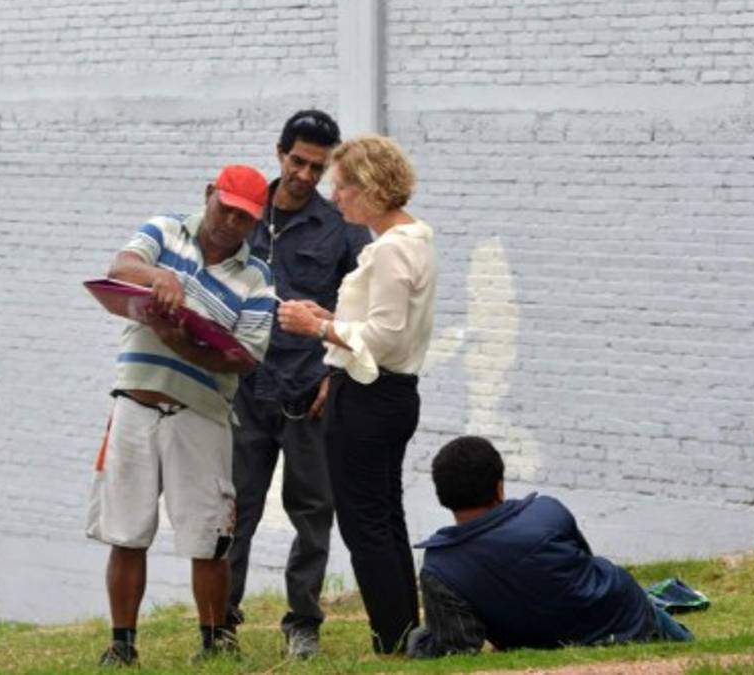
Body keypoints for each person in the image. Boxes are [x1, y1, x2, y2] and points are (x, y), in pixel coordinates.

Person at [85, 164, 276, 667]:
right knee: (126, 532)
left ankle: (214, 641)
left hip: (201, 411)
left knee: (209, 536)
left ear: (256, 222)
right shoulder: (166, 229)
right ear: (210, 194)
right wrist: (159, 277)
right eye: (226, 209)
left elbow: (246, 357)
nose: (231, 222)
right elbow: (120, 267)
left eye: (244, 218)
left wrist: (185, 344)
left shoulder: (258, 278)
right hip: (135, 401)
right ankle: (122, 645)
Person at [277, 134, 437, 654]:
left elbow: (385, 336)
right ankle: (401, 630)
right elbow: (383, 325)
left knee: (365, 522)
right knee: (385, 515)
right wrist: (330, 318)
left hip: (368, 394)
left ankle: (391, 638)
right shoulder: (414, 239)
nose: (335, 196)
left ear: (369, 188)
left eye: (342, 186)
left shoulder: (390, 250)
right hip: (393, 392)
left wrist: (317, 328)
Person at [224, 110, 370, 659]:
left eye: (317, 167)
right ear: (279, 153)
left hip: (309, 392)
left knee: (312, 513)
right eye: (298, 161)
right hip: (243, 387)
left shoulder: (341, 228)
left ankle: (303, 622)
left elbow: (364, 309)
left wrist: (337, 373)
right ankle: (220, 623)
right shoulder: (241, 214)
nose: (306, 175)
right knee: (233, 510)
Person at [406, 436, 694, 658]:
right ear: (499, 487)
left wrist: (419, 640)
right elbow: (583, 564)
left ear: (442, 497)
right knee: (688, 650)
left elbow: (458, 644)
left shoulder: (440, 568)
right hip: (625, 611)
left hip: (552, 636)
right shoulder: (547, 511)